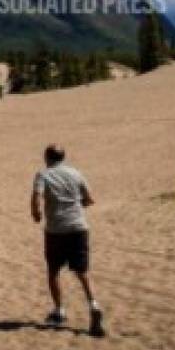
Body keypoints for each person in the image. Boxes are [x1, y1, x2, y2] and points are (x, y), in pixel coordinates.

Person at [31, 144, 104, 336]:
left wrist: (36, 213)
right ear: (63, 157)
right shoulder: (76, 173)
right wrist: (77, 203)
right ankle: (93, 304)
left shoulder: (43, 175)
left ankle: (59, 310)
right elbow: (89, 199)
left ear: (47, 157)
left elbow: (36, 196)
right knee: (82, 271)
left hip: (56, 231)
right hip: (79, 228)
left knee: (54, 271)